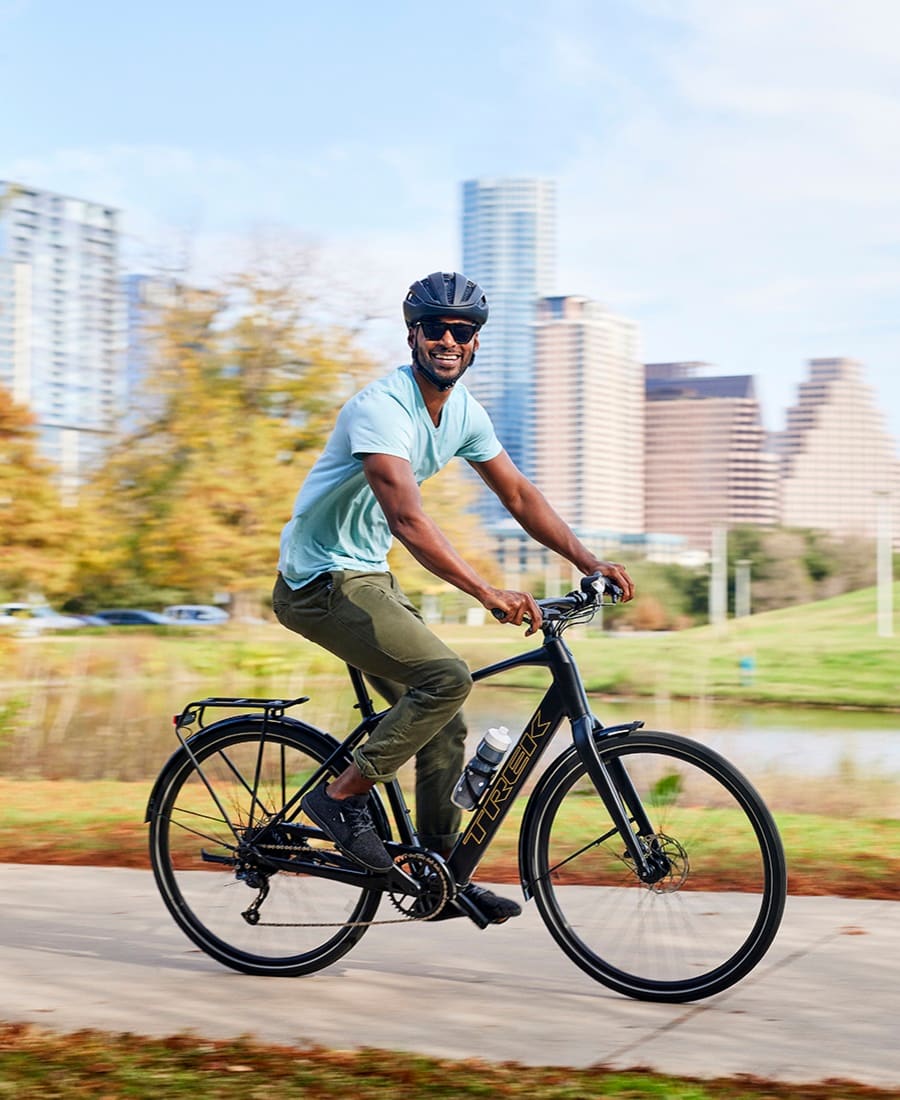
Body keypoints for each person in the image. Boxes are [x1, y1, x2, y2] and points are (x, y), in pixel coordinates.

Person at [273, 271, 634, 923]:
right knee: (446, 679)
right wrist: (486, 591)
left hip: (366, 574)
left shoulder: (463, 413)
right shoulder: (382, 407)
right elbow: (408, 519)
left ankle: (436, 877)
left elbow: (518, 496)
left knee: (444, 721)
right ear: (412, 334)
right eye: (434, 327)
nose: (447, 339)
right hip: (317, 580)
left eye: (461, 331)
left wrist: (588, 560)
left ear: (473, 343)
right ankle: (339, 799)